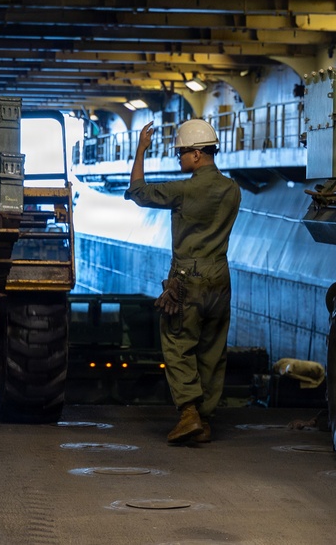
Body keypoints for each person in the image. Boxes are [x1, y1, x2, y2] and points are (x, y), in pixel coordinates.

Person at [124, 119, 240, 444]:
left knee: (176, 342)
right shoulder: (233, 190)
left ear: (198, 155)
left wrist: (141, 150)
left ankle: (188, 412)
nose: (179, 158)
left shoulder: (183, 190)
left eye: (182, 152)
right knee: (213, 348)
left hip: (189, 276)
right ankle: (204, 420)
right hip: (220, 276)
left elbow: (137, 192)